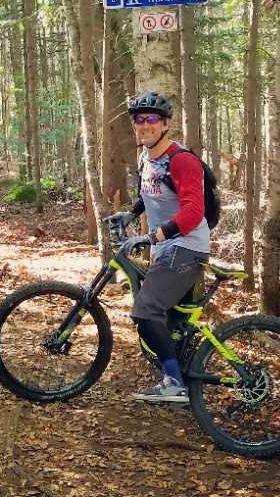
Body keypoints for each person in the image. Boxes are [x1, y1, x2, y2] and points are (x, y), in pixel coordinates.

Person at [111, 90, 210, 404]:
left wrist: (152, 237)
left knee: (146, 309)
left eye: (152, 119)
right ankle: (184, 373)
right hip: (169, 248)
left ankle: (174, 383)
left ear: (166, 124)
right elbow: (151, 194)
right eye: (139, 119)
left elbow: (193, 213)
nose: (145, 125)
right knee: (171, 321)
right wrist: (132, 213)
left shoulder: (182, 161)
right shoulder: (146, 157)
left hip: (187, 248)